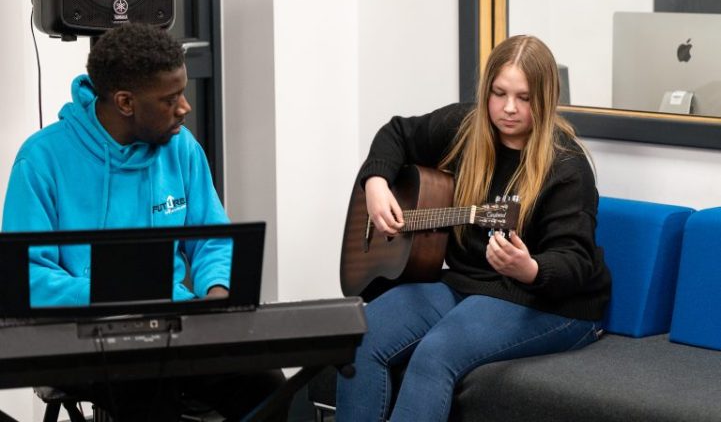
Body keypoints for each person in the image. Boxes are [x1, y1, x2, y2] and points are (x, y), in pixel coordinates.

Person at [2, 23, 286, 421]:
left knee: (266, 383)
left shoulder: (181, 147)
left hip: (173, 324)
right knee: (149, 385)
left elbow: (213, 240)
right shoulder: (41, 159)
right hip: (81, 336)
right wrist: (111, 295)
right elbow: (26, 277)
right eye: (170, 99)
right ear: (125, 102)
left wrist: (218, 292)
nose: (185, 108)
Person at [335, 35, 612, 421]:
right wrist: (376, 183)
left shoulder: (566, 166)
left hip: (553, 303)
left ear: (546, 99)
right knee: (360, 337)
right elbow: (397, 133)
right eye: (499, 93)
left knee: (435, 355)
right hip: (467, 283)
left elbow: (575, 262)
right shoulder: (465, 127)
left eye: (524, 98)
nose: (509, 108)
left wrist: (529, 268)